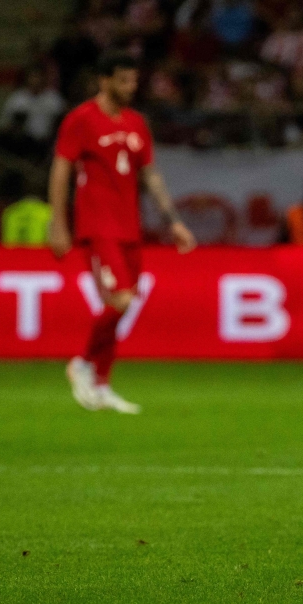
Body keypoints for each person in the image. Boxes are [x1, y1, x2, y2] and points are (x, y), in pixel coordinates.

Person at [49, 51, 197, 413]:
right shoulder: (81, 120)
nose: (131, 87)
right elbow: (61, 170)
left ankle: (101, 384)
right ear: (104, 80)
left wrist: (173, 220)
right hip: (98, 226)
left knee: (122, 304)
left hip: (130, 226)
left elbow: (151, 174)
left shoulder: (136, 123)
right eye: (123, 80)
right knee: (121, 299)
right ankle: (82, 363)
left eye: (134, 80)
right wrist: (58, 222)